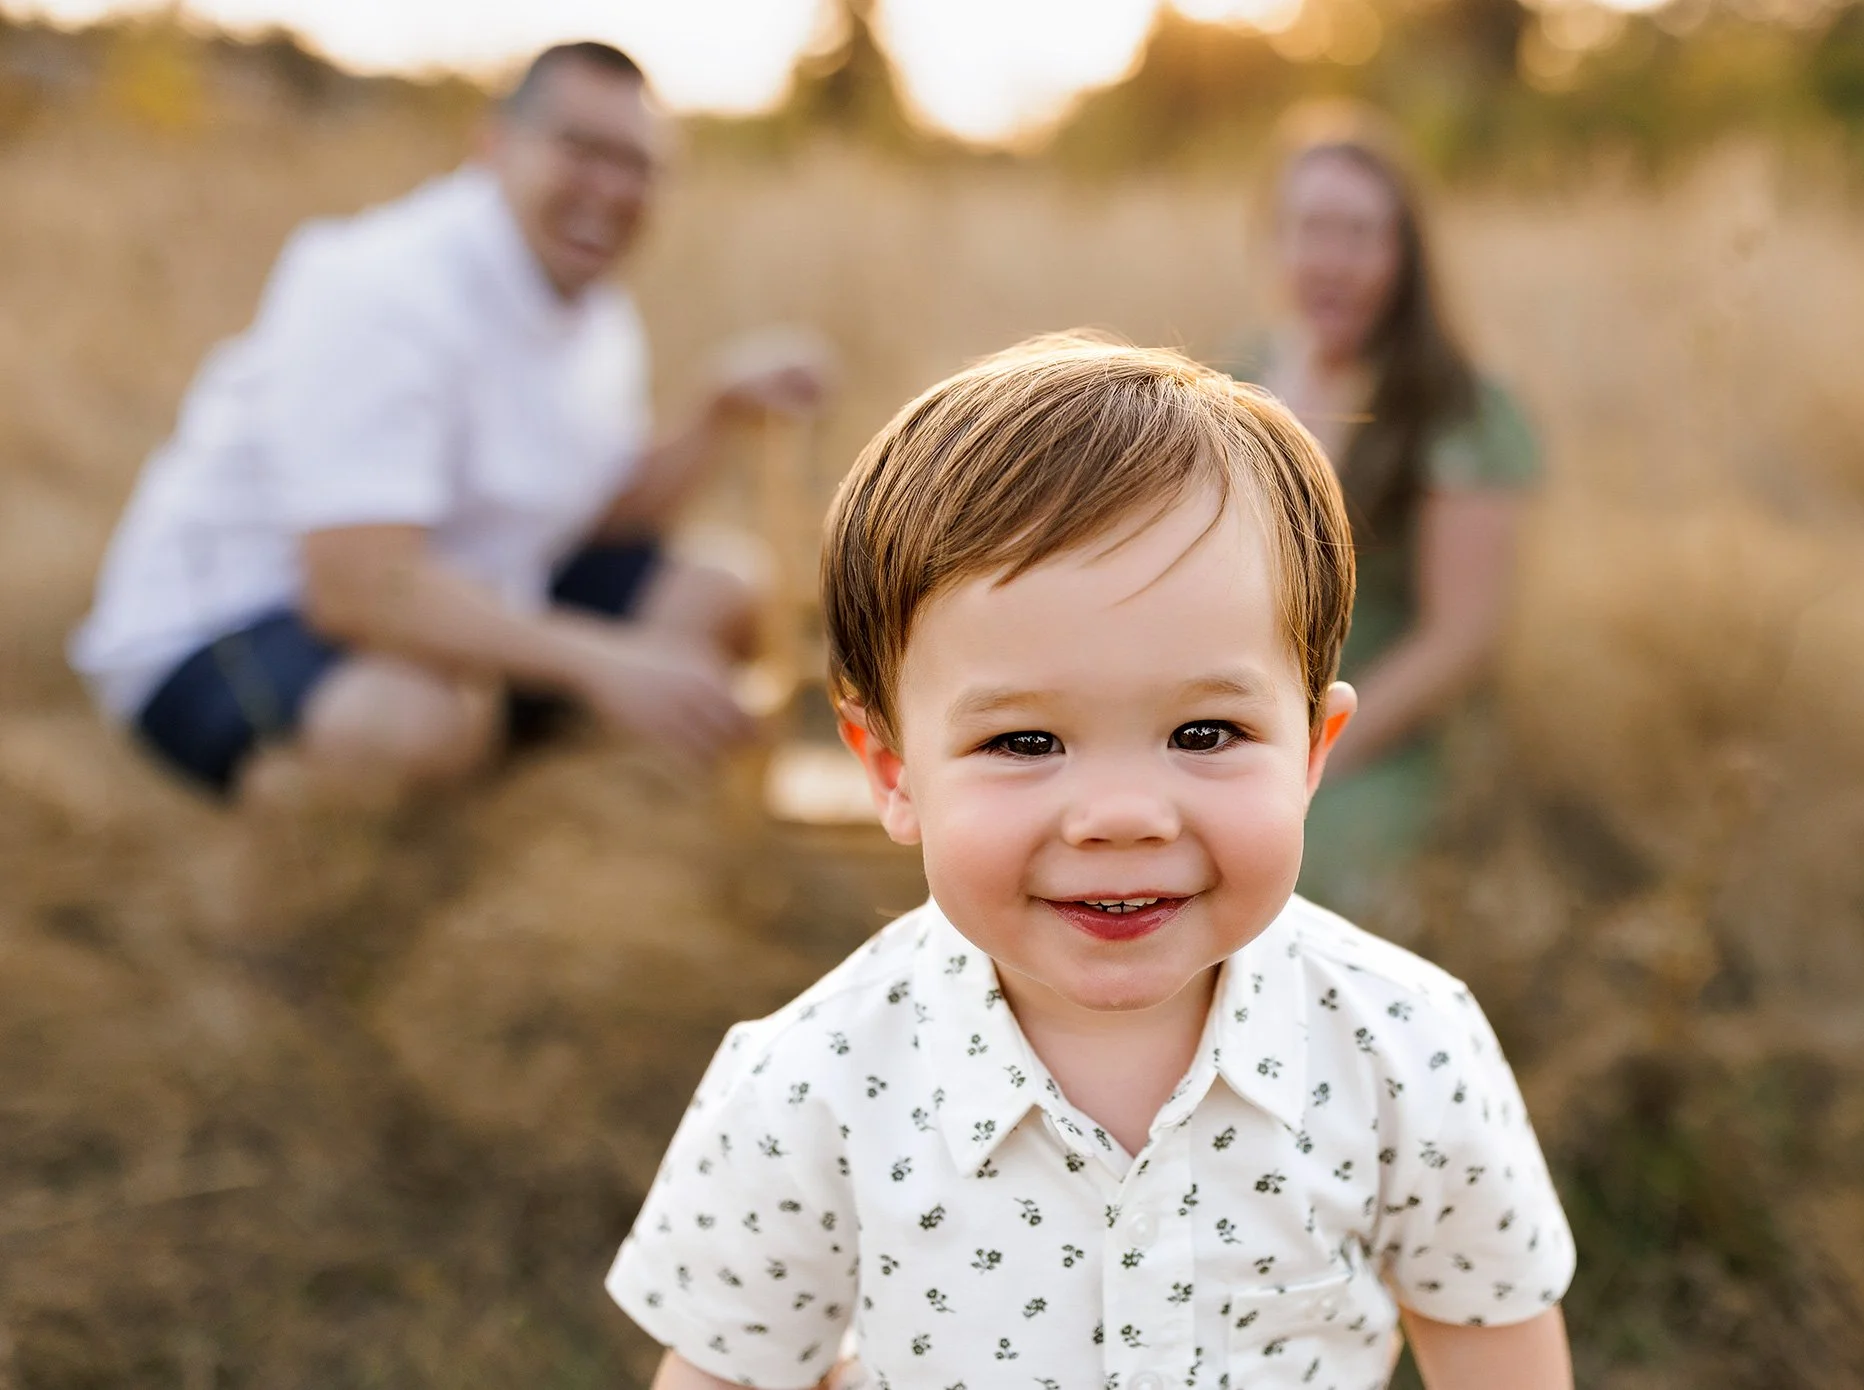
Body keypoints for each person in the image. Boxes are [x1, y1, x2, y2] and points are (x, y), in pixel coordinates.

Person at [605, 337, 1576, 1389]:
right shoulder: (810, 1085)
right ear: (891, 772)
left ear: (1310, 752)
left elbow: (1500, 1354)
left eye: (1203, 732)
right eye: (1024, 743)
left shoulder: (1406, 1052)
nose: (1119, 816)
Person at [69, 41, 827, 806]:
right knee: (423, 720)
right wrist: (605, 662)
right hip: (233, 627)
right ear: (494, 143)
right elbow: (356, 585)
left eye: (640, 165)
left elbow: (596, 518)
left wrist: (714, 411)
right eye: (582, 149)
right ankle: (300, 857)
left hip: (465, 589)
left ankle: (516, 786)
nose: (612, 188)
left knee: (726, 595)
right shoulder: (380, 286)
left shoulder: (596, 312)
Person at [1236, 104, 1540, 922]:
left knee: (1305, 868)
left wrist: (1309, 758)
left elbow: (1458, 639)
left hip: (1378, 738)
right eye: (1312, 229)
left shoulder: (1457, 411)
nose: (1331, 260)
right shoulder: (1225, 386)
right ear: (1276, 241)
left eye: (1360, 234)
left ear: (1403, 255)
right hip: (1226, 722)